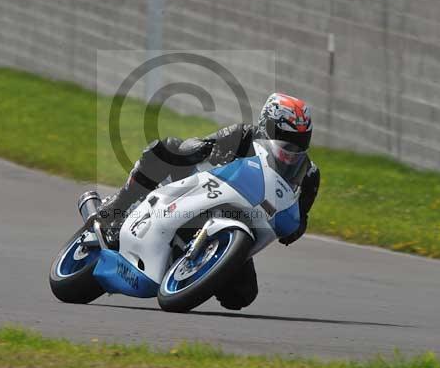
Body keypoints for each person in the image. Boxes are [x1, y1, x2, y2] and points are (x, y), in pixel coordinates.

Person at [98, 93, 321, 310]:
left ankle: (201, 267)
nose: (291, 146)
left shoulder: (308, 174)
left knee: (241, 296)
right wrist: (200, 149)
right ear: (266, 125)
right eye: (283, 134)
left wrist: (294, 228)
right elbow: (203, 144)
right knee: (168, 148)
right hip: (201, 192)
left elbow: (301, 217)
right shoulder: (243, 135)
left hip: (245, 221)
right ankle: (119, 205)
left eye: (299, 140)